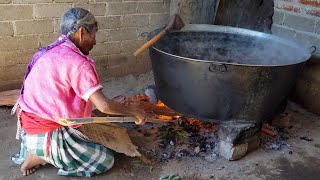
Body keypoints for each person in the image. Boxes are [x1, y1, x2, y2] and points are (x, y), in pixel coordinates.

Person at [10, 7, 148, 177]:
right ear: (82, 32)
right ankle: (40, 156)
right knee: (105, 159)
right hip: (45, 130)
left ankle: (40, 150)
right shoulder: (78, 63)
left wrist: (112, 105)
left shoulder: (50, 50)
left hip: (29, 123)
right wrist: (133, 111)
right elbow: (104, 106)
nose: (95, 42)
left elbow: (64, 96)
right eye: (93, 35)